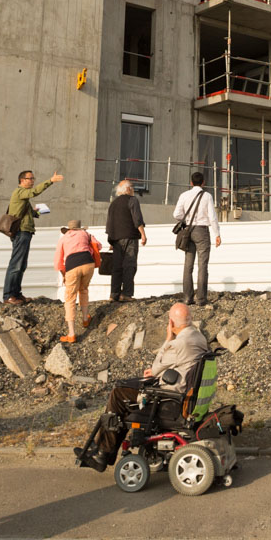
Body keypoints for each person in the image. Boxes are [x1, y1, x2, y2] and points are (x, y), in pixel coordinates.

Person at [77, 302, 211, 471]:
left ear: (171, 322)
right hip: (184, 393)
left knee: (118, 393)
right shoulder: (199, 337)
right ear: (190, 319)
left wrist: (168, 337)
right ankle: (103, 451)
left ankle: (103, 453)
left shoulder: (179, 343)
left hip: (170, 397)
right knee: (124, 397)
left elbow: (155, 367)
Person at [4, 168, 63, 304]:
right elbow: (34, 192)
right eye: (30, 179)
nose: (32, 181)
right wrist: (50, 181)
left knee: (21, 264)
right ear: (22, 180)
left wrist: (36, 212)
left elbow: (27, 212)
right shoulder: (20, 192)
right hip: (21, 232)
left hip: (25, 231)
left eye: (33, 179)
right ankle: (8, 295)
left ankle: (16, 294)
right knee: (16, 265)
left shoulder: (23, 196)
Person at [172, 171, 220, 307]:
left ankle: (187, 298)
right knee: (202, 265)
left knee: (188, 265)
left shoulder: (184, 195)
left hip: (188, 231)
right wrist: (217, 234)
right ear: (203, 183)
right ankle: (201, 299)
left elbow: (176, 214)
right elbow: (212, 217)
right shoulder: (207, 196)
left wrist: (186, 220)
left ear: (191, 183)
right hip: (202, 231)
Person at [55, 220, 100, 343]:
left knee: (70, 298)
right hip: (88, 263)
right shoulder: (86, 234)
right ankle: (85, 319)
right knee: (83, 289)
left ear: (68, 230)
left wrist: (64, 273)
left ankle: (71, 334)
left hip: (72, 266)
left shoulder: (63, 239)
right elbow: (98, 245)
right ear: (79, 228)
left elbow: (58, 261)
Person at [105, 179, 147, 302]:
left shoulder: (113, 203)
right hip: (130, 237)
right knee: (130, 265)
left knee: (117, 267)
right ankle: (126, 294)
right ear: (128, 189)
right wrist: (143, 234)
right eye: (132, 187)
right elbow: (137, 218)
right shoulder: (132, 200)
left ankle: (114, 294)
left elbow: (109, 224)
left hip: (116, 239)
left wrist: (111, 241)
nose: (133, 190)